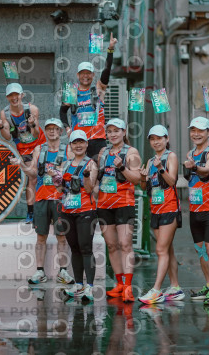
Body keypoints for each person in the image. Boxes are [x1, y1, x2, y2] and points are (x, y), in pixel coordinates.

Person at [15, 118, 74, 286]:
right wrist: (22, 165)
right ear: (45, 131)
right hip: (41, 198)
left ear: (61, 132)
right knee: (41, 236)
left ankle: (63, 271)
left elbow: (71, 173)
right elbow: (33, 174)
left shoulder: (68, 149)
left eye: (55, 129)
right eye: (49, 129)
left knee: (62, 236)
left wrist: (58, 174)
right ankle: (40, 271)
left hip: (60, 199)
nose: (52, 131)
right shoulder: (39, 149)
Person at [95, 119, 142, 303]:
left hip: (124, 202)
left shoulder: (131, 152)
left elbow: (137, 179)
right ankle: (120, 283)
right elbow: (98, 177)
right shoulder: (103, 152)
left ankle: (128, 286)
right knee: (112, 245)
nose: (113, 134)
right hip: (104, 204)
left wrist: (122, 167)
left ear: (124, 132)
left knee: (125, 244)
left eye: (116, 131)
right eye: (110, 131)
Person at [138, 125, 184, 304]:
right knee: (167, 249)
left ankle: (156, 290)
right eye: (152, 139)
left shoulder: (170, 156)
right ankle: (175, 287)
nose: (156, 142)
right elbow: (144, 187)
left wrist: (161, 168)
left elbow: (172, 181)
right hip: (155, 209)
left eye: (159, 138)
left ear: (166, 139)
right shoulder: (150, 161)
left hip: (170, 208)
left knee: (160, 250)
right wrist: (143, 177)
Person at [53, 130, 98, 302]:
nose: (78, 145)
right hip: (67, 212)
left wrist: (86, 175)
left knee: (86, 248)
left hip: (85, 211)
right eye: (75, 142)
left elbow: (89, 189)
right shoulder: (65, 165)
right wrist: (56, 179)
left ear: (86, 144)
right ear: (70, 145)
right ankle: (79, 284)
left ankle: (90, 287)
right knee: (74, 248)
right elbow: (60, 189)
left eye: (81, 142)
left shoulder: (91, 164)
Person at [183, 117, 209, 305]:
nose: (196, 134)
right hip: (194, 208)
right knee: (200, 250)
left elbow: (206, 170)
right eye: (193, 130)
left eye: (200, 130)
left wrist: (195, 167)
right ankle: (208, 285)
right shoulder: (190, 153)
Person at [0, 83, 46, 224]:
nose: (14, 97)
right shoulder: (5, 113)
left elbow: (35, 134)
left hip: (39, 144)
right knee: (32, 178)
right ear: (7, 97)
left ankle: (48, 210)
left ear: (22, 95)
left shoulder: (32, 109)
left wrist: (32, 124)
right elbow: (7, 136)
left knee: (45, 176)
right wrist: (0, 126)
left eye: (16, 94)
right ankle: (31, 213)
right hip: (23, 148)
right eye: (10, 95)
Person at [60, 34, 117, 160]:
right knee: (78, 169)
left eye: (88, 73)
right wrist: (68, 129)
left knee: (99, 169)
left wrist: (110, 50)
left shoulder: (98, 89)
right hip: (79, 139)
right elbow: (62, 111)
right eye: (82, 73)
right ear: (78, 75)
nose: (85, 76)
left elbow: (107, 71)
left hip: (98, 139)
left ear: (93, 75)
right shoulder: (71, 91)